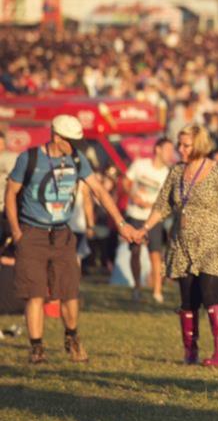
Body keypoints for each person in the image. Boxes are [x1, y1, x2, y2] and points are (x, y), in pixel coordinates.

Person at [4, 115, 139, 364]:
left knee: (70, 291)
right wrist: (16, 231)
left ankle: (72, 337)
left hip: (63, 233)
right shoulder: (30, 158)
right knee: (34, 293)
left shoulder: (77, 159)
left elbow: (99, 191)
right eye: (71, 140)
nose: (76, 145)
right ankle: (37, 348)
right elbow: (10, 193)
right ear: (57, 136)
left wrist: (121, 224)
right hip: (32, 232)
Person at [139, 124, 218, 366]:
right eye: (180, 145)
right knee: (188, 299)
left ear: (200, 145)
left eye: (186, 145)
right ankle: (190, 351)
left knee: (210, 293)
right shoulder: (176, 172)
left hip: (214, 242)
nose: (181, 149)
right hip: (182, 244)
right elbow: (162, 205)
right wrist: (143, 228)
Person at [122, 137, 174, 303]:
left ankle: (157, 291)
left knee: (155, 254)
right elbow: (125, 182)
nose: (170, 154)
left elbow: (167, 200)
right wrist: (133, 196)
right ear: (158, 149)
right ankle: (137, 287)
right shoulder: (140, 165)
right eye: (168, 150)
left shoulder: (167, 173)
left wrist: (152, 205)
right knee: (135, 252)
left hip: (153, 218)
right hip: (135, 214)